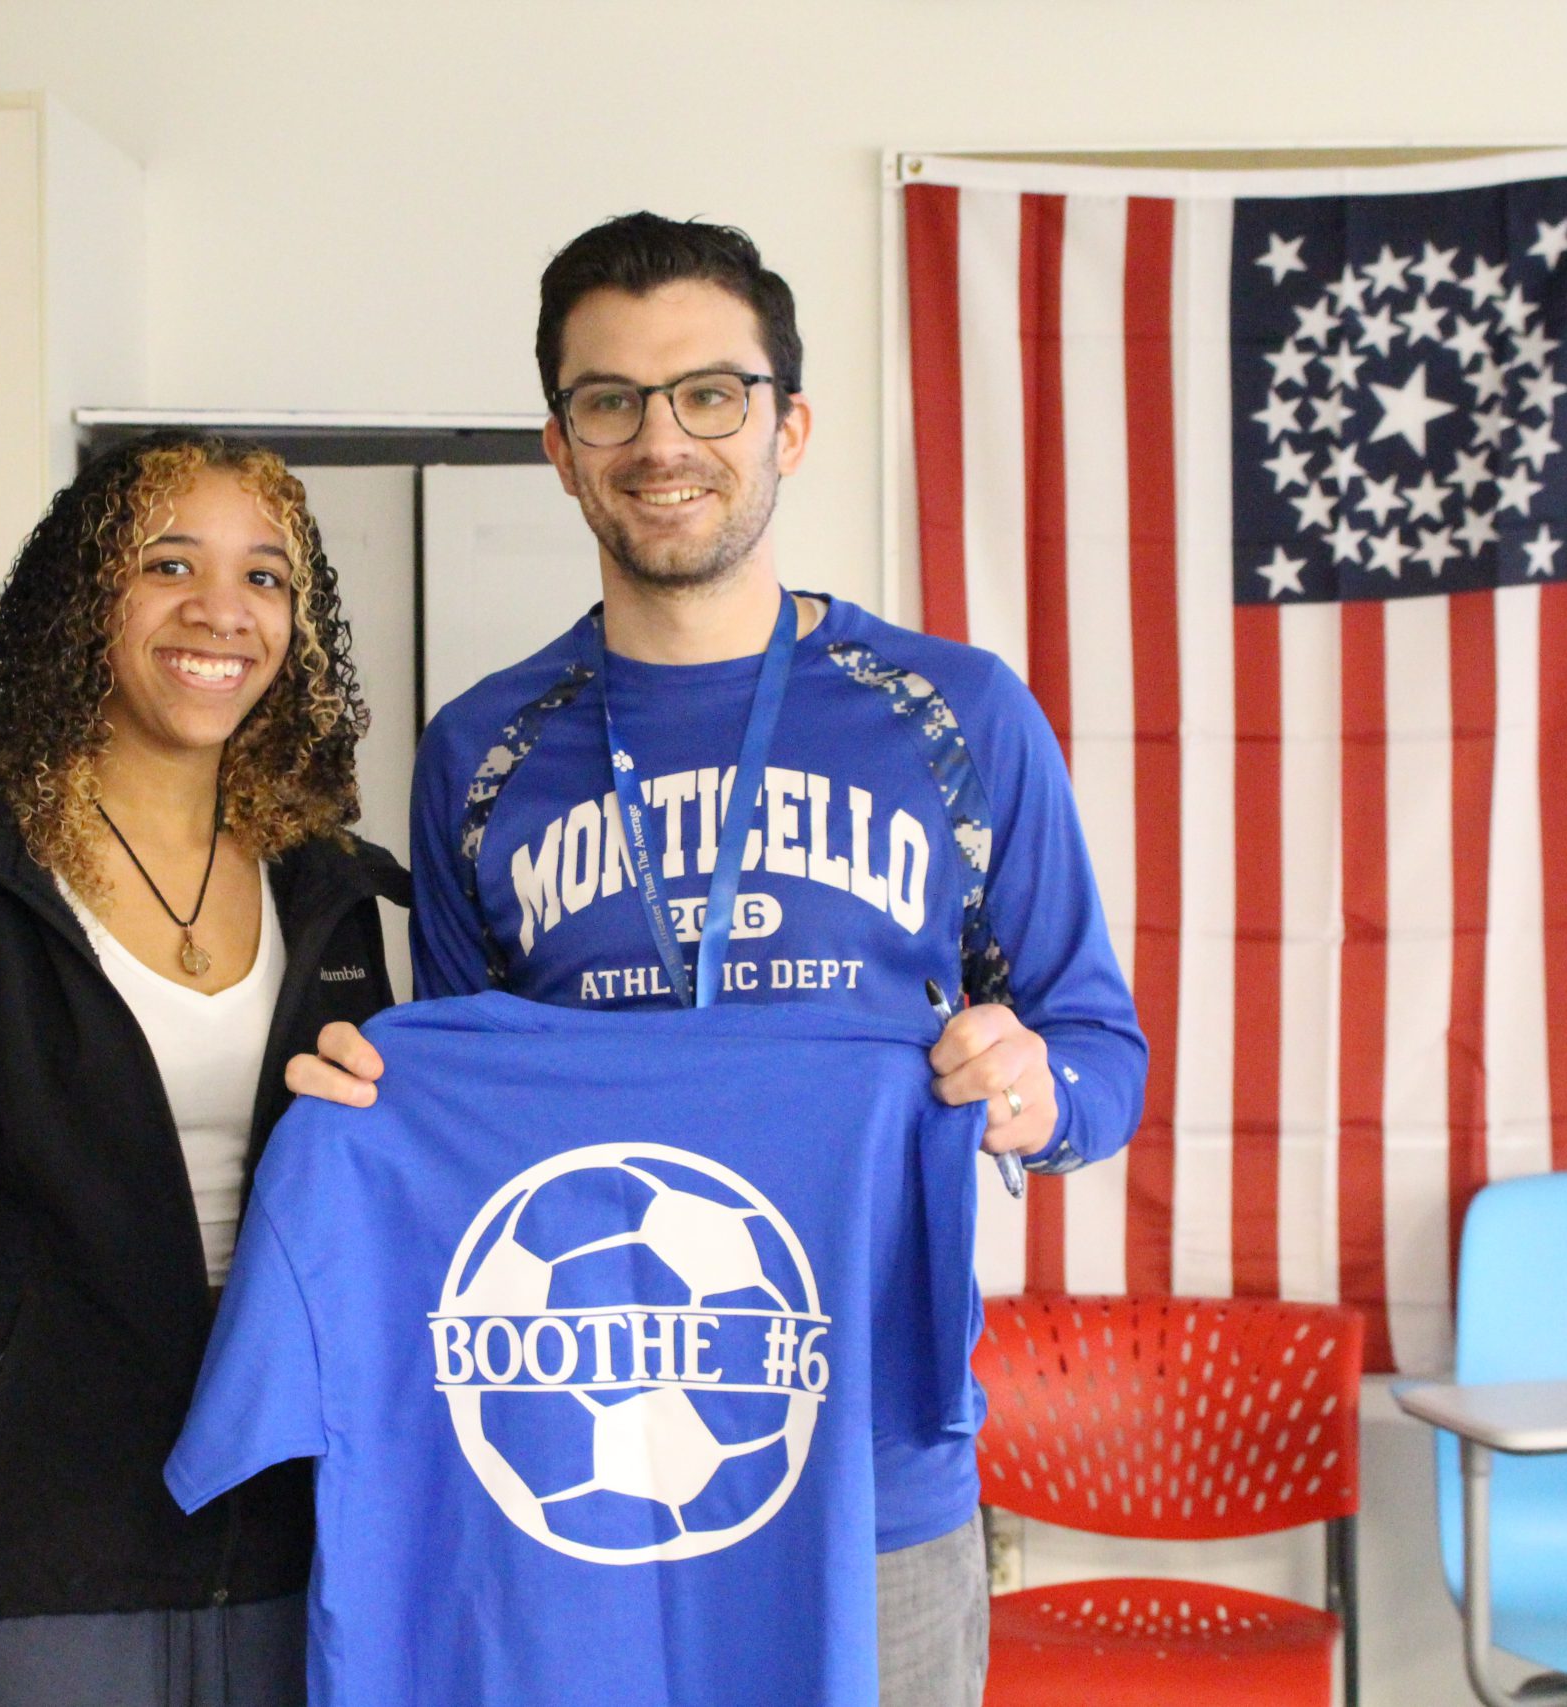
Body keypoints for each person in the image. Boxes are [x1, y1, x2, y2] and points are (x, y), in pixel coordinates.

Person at [284, 215, 1147, 1707]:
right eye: (608, 399)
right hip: (573, 1465)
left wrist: (1027, 1088)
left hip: (873, 1468)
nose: (659, 438)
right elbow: (472, 1121)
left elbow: (1101, 1052)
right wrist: (374, 1097)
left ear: (788, 423)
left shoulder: (953, 712)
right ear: (559, 445)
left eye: (709, 393)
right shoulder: (483, 750)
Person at [0, 431, 406, 1707]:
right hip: (38, 1574)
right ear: (83, 600)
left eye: (266, 576)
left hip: (297, 1553)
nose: (221, 612)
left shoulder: (328, 887)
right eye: (166, 564)